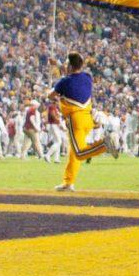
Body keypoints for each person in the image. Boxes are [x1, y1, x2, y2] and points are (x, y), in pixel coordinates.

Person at [48, 52, 119, 192]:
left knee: (79, 153)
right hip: (88, 119)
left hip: (75, 120)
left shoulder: (64, 81)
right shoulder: (87, 77)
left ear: (69, 65)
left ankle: (105, 144)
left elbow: (51, 95)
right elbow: (72, 73)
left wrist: (54, 95)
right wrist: (57, 64)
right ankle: (68, 182)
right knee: (73, 153)